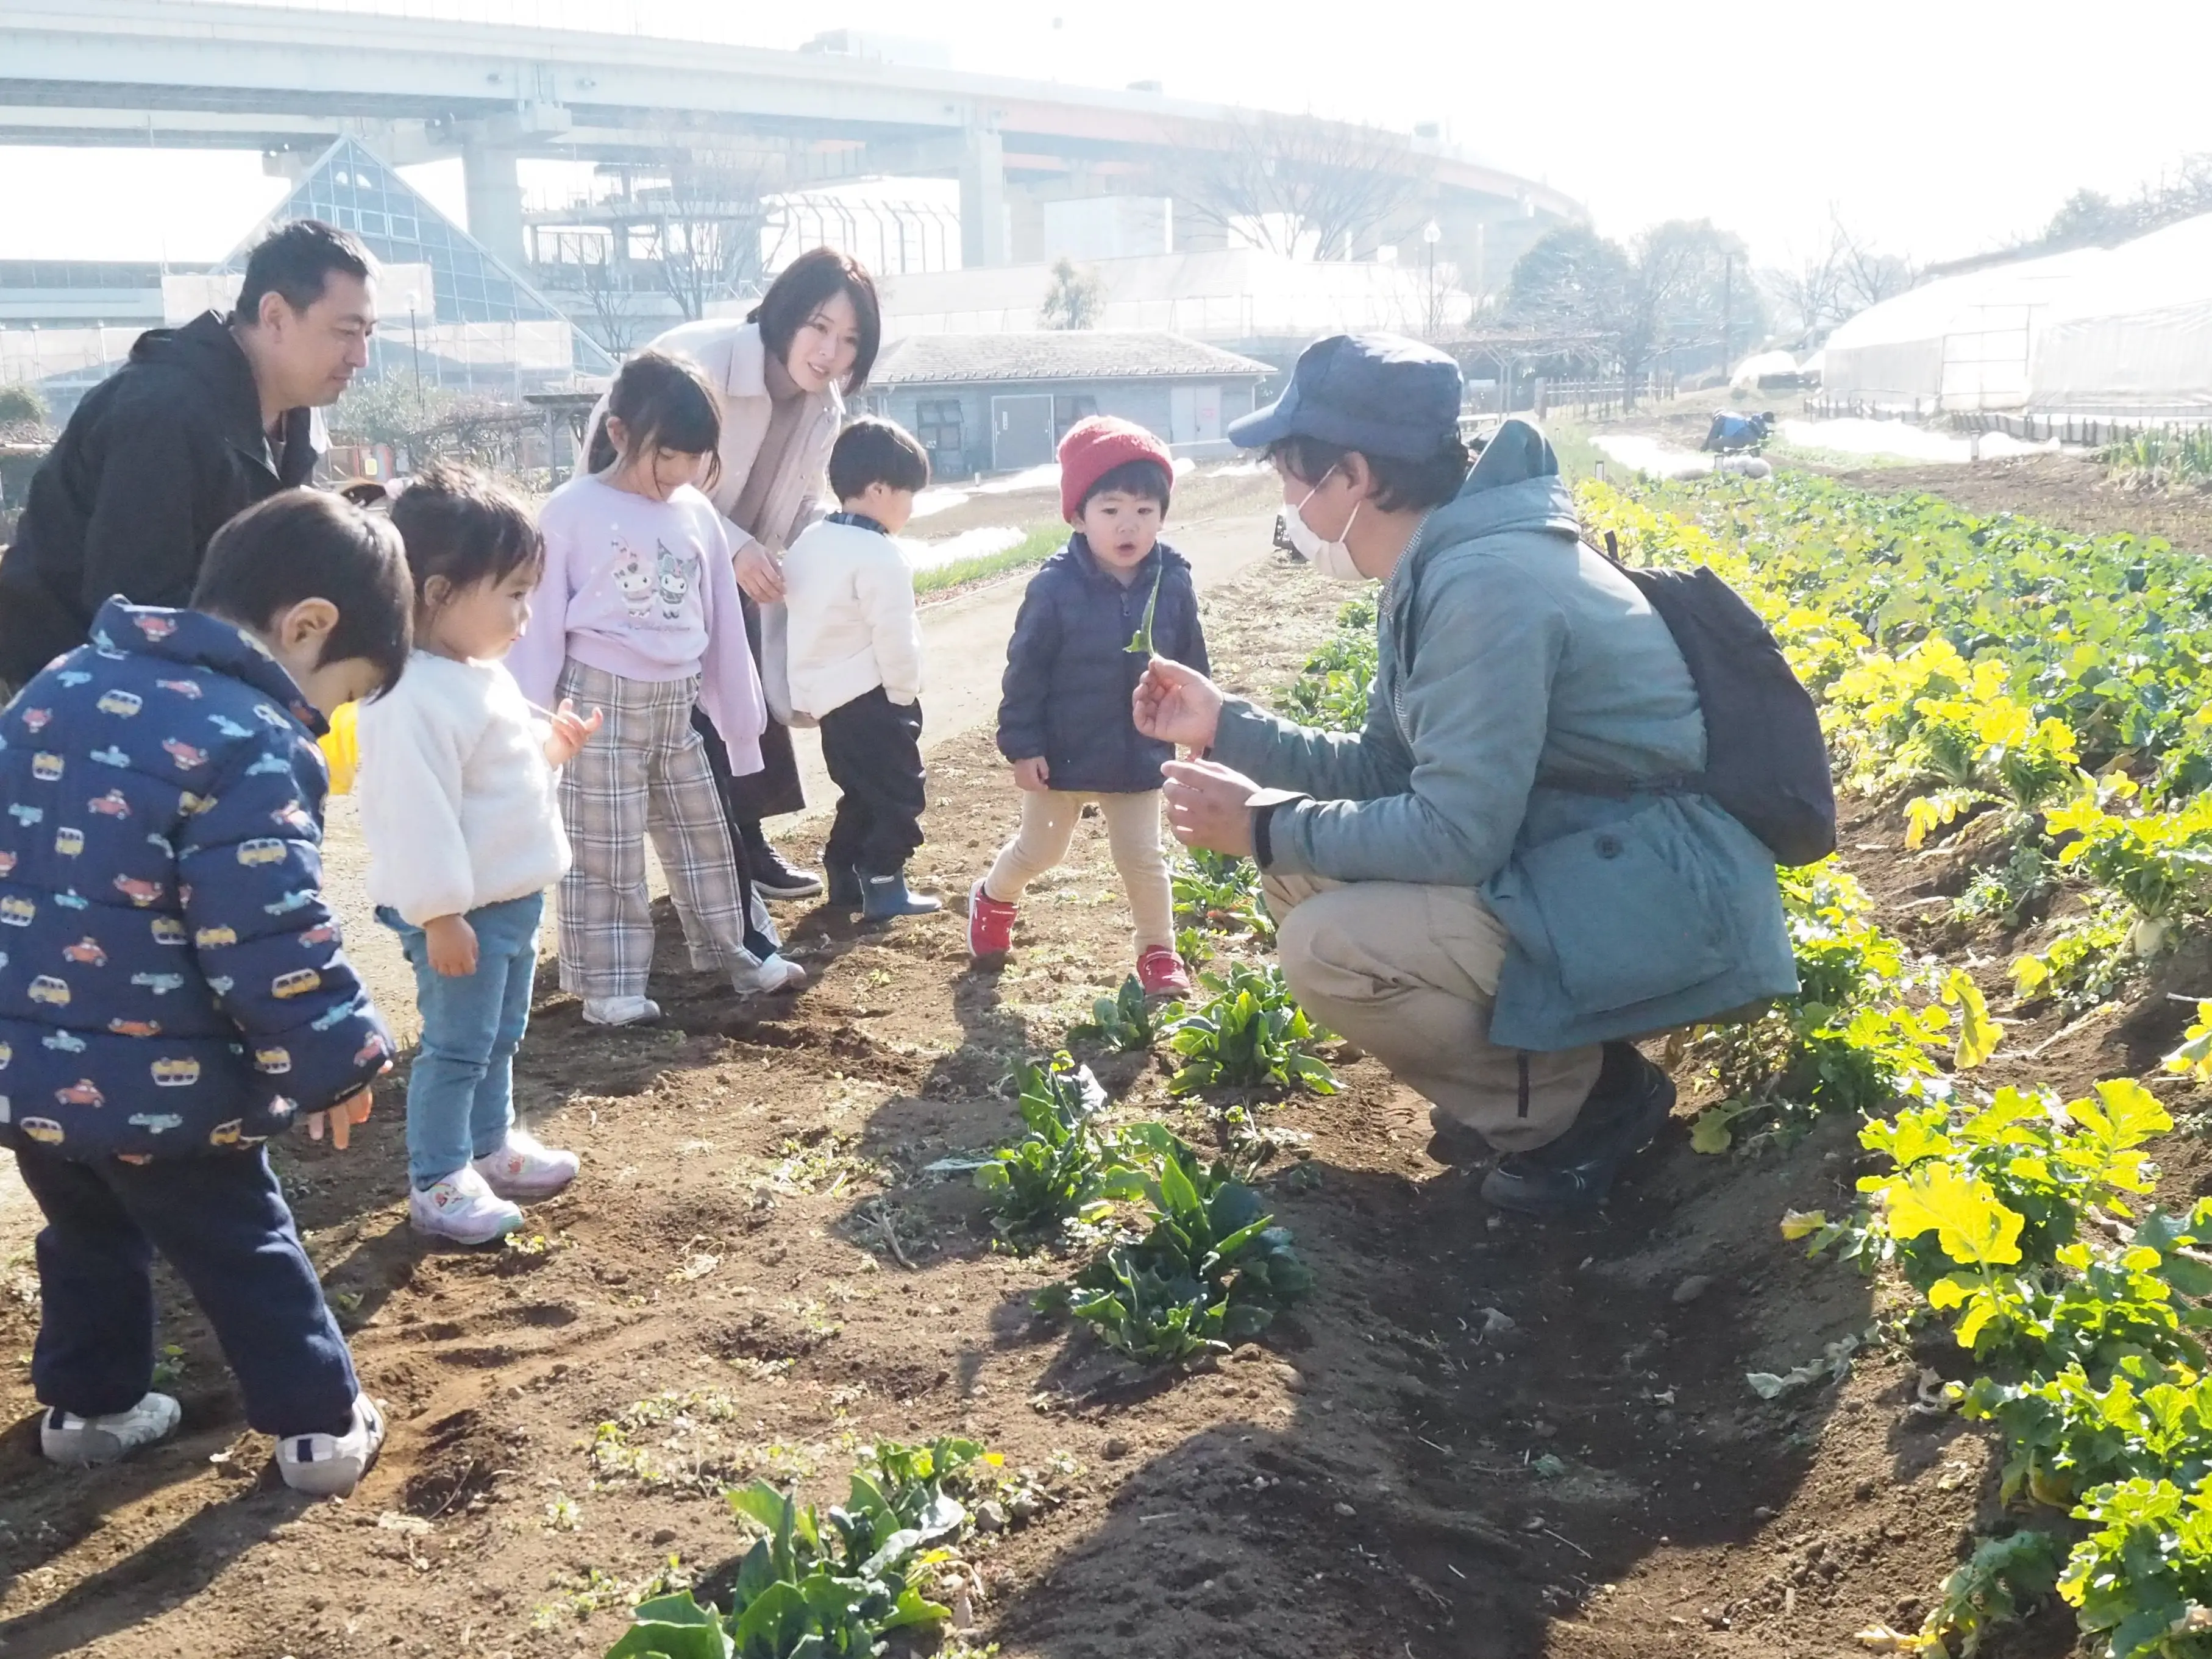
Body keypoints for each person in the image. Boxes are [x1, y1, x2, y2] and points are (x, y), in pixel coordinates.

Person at [1133, 334, 1796, 1216]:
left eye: (1293, 476)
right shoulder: (1444, 562)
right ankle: (1538, 1075)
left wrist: (1257, 823)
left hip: (1657, 897)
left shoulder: (1485, 584)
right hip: (1589, 868)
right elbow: (1381, 769)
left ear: (1353, 476)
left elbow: (1456, 833)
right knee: (1298, 875)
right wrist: (1226, 726)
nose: (1288, 503)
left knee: (1324, 944)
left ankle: (1582, 1109)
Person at [0, 489, 411, 1493]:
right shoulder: (253, 737)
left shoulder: (57, 684)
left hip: (27, 1069)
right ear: (306, 626)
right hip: (164, 1080)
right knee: (243, 1245)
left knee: (89, 1232)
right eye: (342, 692)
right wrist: (337, 1056)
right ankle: (318, 1426)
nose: (328, 717)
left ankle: (89, 1411)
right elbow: (266, 931)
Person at [508, 351, 806, 1029]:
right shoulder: (569, 510)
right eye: (665, 457)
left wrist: (739, 715)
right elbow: (539, 626)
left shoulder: (696, 512)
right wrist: (530, 727)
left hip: (679, 704)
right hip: (594, 705)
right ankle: (610, 984)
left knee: (708, 831)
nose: (677, 474)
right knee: (602, 846)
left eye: (694, 459)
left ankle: (745, 952)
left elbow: (723, 621)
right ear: (618, 434)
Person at [355, 466, 600, 1245]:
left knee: (499, 1034)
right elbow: (416, 818)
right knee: (456, 1044)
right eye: (513, 593)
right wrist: (439, 915)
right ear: (436, 593)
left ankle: (492, 1147)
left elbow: (492, 777)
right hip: (458, 910)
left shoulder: (472, 673)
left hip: (508, 896)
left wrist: (550, 749)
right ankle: (438, 1177)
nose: (527, 614)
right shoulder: (406, 698)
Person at [610, 248, 884, 905]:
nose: (829, 352)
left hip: (727, 572)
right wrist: (732, 546)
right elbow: (634, 475)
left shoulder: (825, 410)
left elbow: (793, 507)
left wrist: (851, 536)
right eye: (819, 327)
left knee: (746, 693)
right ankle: (693, 866)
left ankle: (745, 846)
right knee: (667, 720)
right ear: (786, 312)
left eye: (848, 341)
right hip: (643, 558)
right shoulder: (698, 360)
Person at [0, 220, 378, 694]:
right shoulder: (163, 412)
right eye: (346, 331)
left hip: (200, 686)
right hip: (65, 694)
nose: (360, 356)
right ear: (276, 316)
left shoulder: (300, 411)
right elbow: (134, 611)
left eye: (368, 332)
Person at [970, 416, 1207, 998]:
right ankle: (993, 896)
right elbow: (1024, 672)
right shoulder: (1054, 588)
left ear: (1162, 515)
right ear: (1078, 515)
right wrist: (1024, 747)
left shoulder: (1170, 583)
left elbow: (1193, 663)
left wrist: (1206, 727)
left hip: (1138, 752)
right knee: (1040, 851)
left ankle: (1158, 953)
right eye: (1111, 510)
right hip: (1063, 753)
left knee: (1142, 859)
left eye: (1145, 511)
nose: (1129, 524)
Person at [783, 417, 940, 922]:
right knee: (899, 793)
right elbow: (894, 636)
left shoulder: (811, 542)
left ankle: (844, 873)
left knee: (860, 789)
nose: (910, 507)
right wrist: (903, 694)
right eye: (907, 494)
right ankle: (883, 880)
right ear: (877, 490)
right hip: (873, 697)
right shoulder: (880, 555)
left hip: (829, 700)